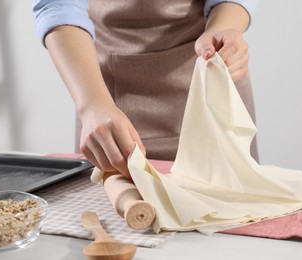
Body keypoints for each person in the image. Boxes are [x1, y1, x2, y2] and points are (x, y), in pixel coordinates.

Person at [32, 0, 259, 179]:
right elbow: (58, 5)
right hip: (103, 96)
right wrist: (92, 104)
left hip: (211, 83)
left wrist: (223, 30)